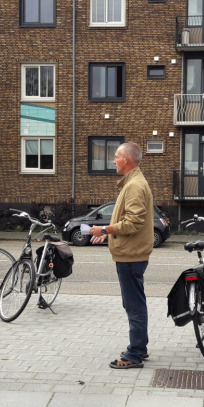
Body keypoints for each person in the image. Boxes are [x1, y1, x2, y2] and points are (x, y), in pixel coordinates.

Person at [88, 142, 153, 369]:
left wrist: (105, 229)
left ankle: (134, 355)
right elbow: (129, 222)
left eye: (116, 157)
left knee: (133, 305)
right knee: (135, 303)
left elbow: (134, 222)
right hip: (130, 253)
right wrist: (109, 234)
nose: (113, 161)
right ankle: (140, 347)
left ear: (127, 159)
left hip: (130, 256)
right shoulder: (134, 182)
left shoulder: (134, 185)